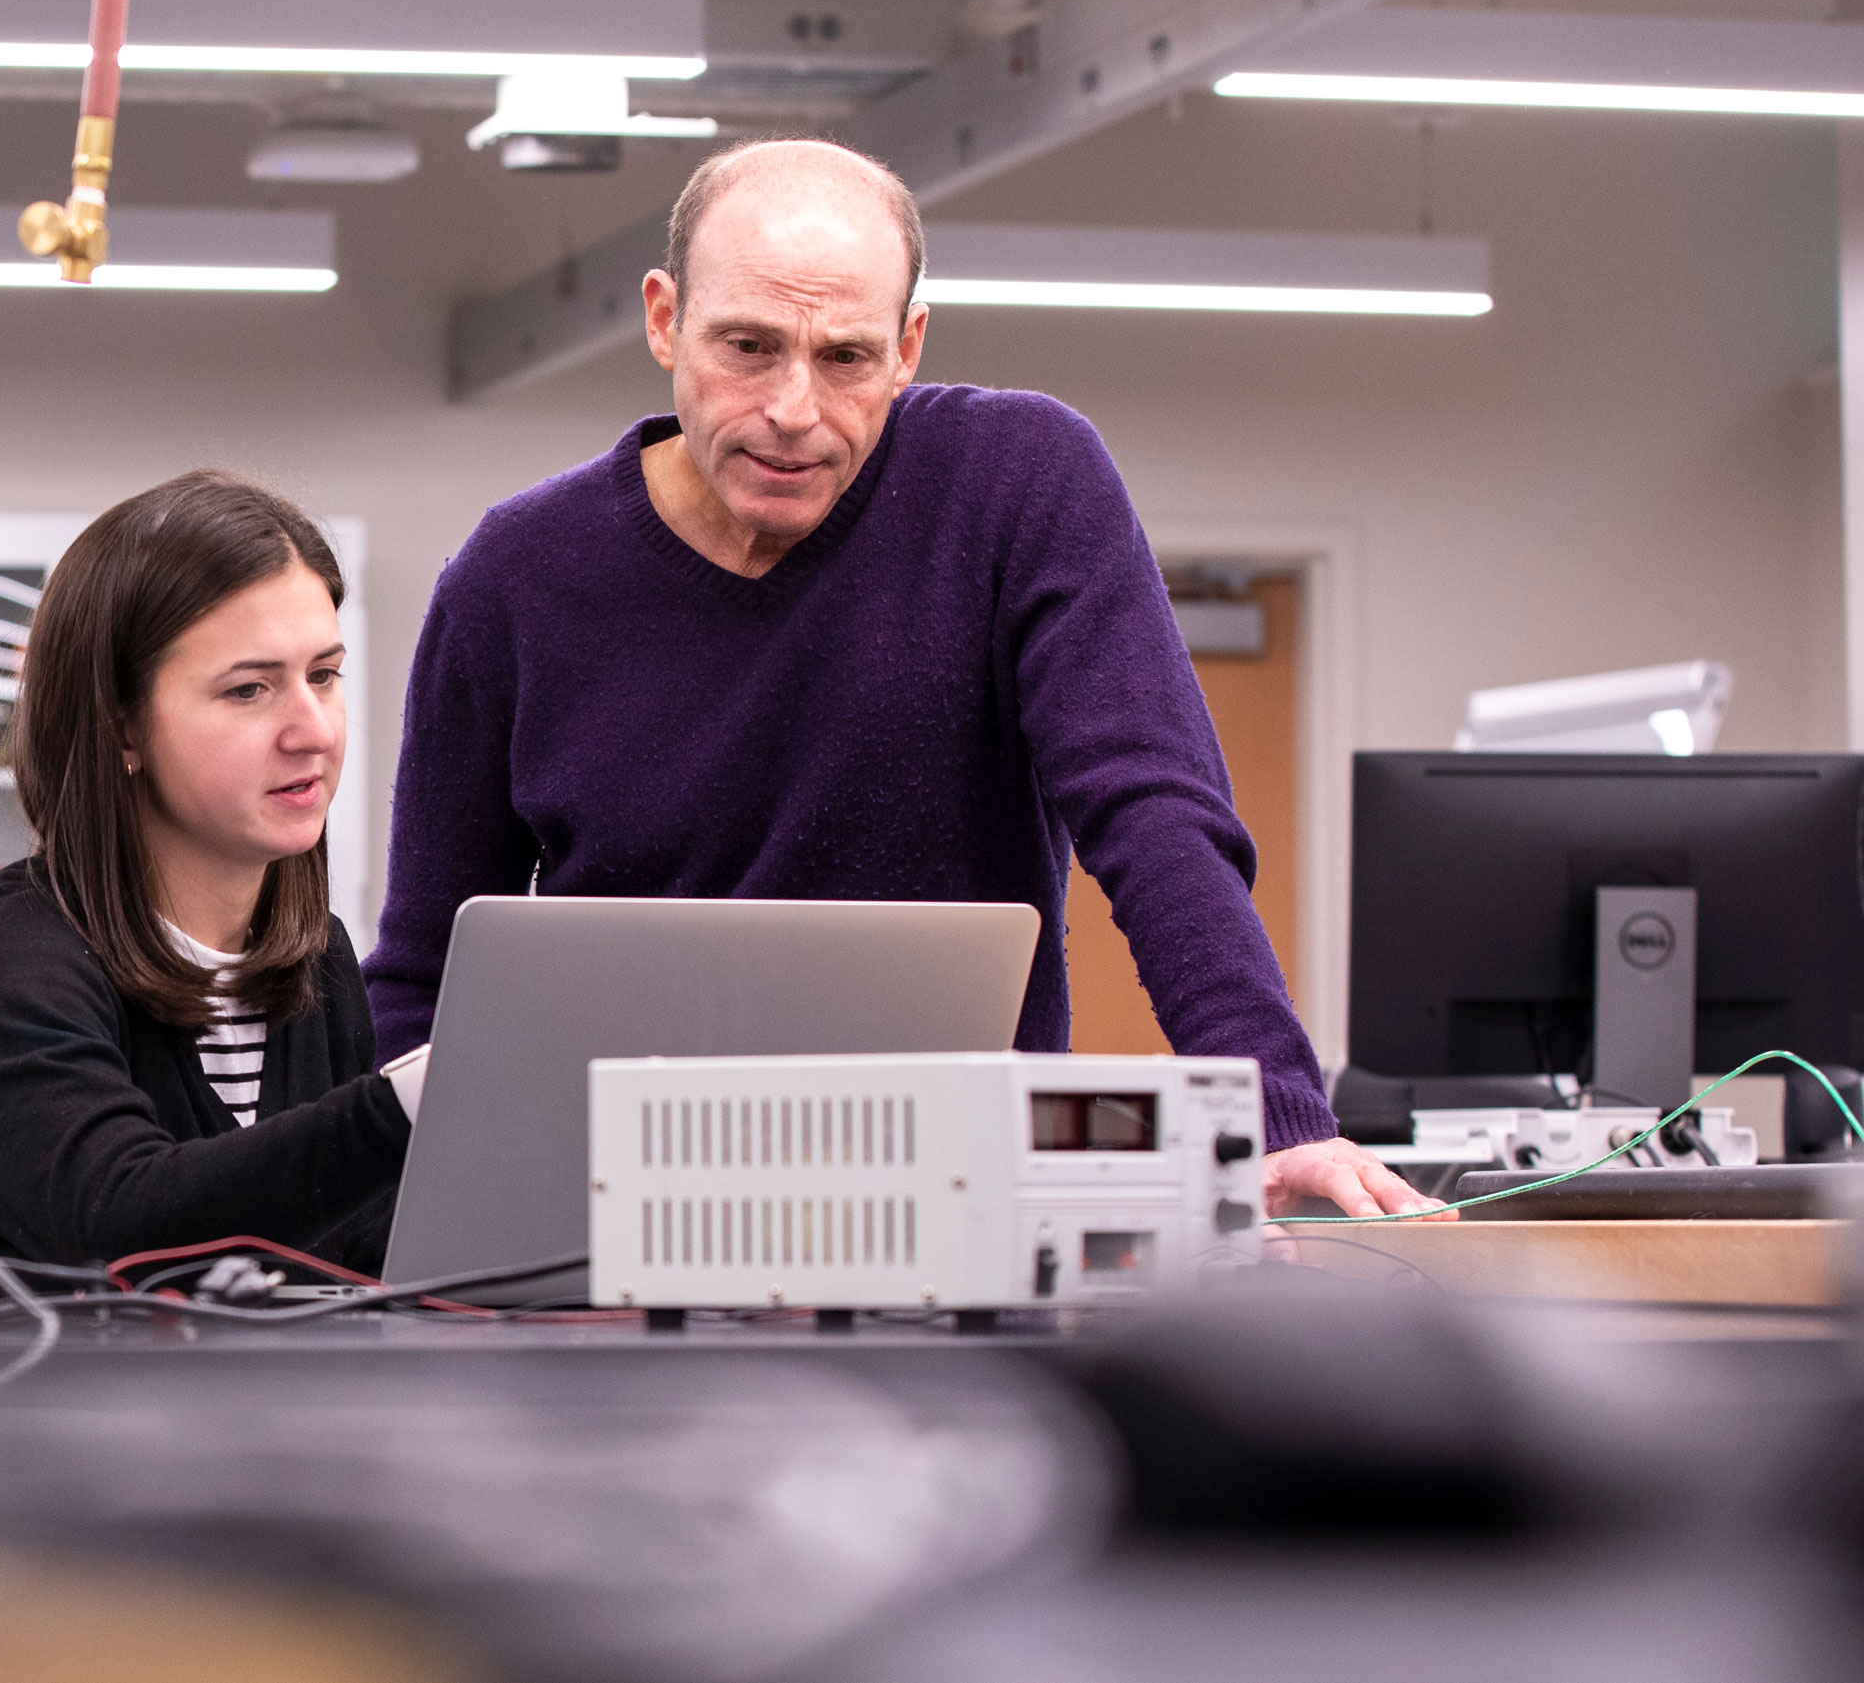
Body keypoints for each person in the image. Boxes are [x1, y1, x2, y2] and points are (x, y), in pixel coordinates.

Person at [367, 137, 1432, 1222]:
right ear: (661, 318)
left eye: (844, 359)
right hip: (602, 1220)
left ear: (908, 345)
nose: (792, 408)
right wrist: (419, 1222)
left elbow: (1151, 809)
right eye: (747, 345)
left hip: (953, 1213)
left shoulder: (1015, 482)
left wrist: (1281, 1113)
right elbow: (420, 975)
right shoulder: (515, 577)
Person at [0, 471, 422, 1283]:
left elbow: (352, 1260)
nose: (312, 730)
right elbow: (123, 1224)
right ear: (120, 723)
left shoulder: (314, 961)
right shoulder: (3, 965)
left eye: (324, 674)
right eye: (249, 688)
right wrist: (410, 1101)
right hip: (20, 1411)